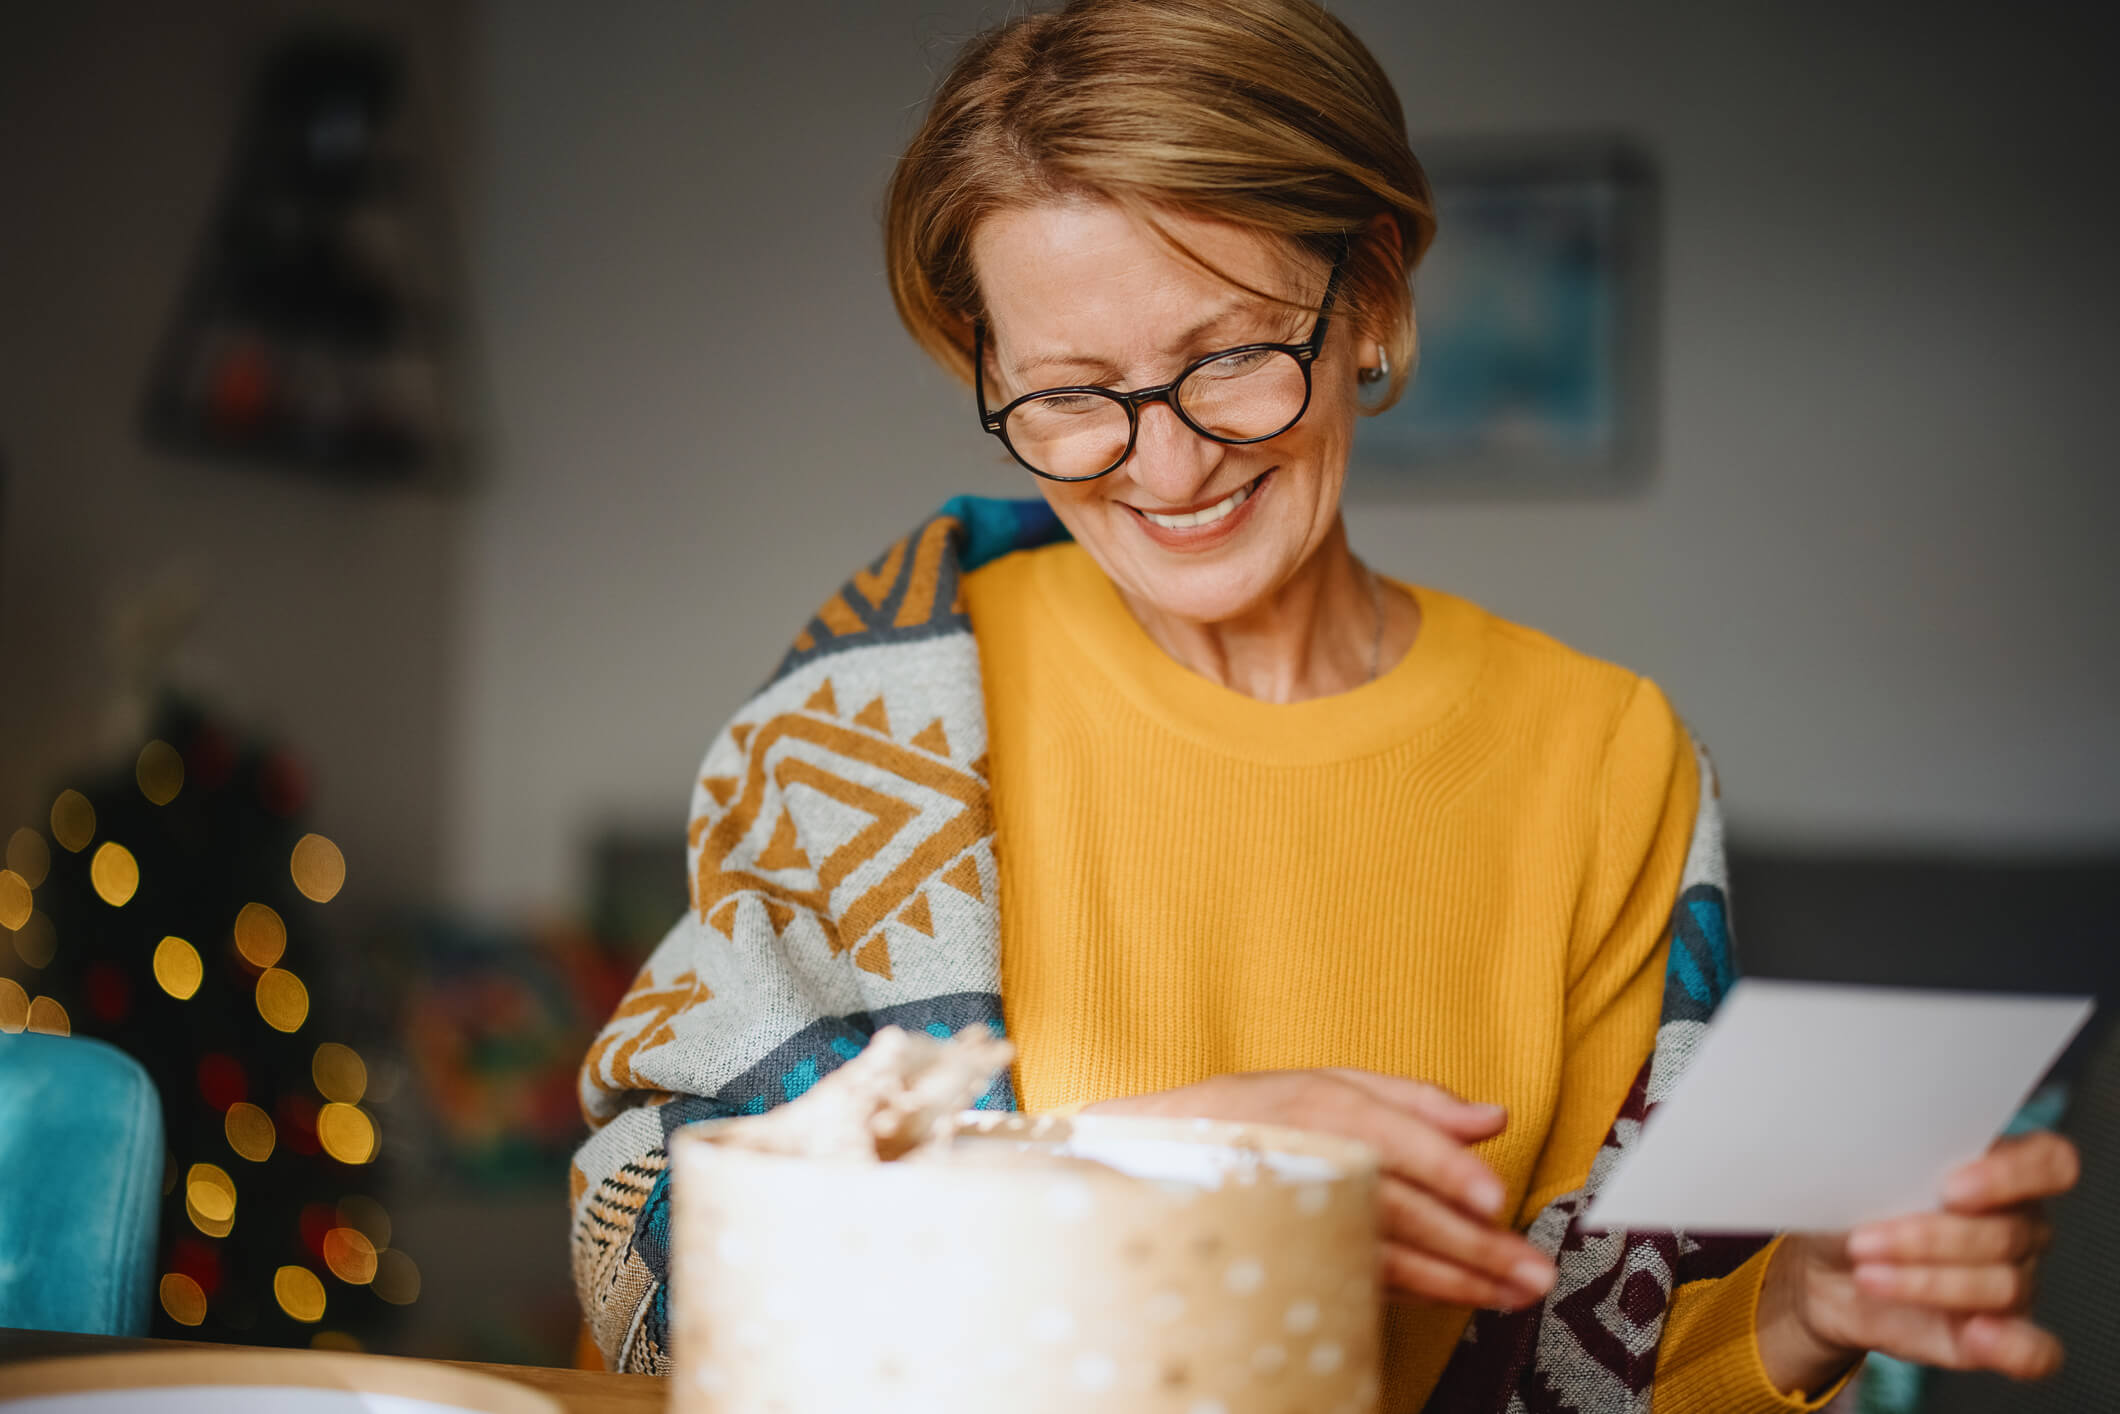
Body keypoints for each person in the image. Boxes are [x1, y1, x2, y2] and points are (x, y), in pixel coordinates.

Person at [568, 2, 2079, 1408]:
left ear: (1372, 298)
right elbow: (640, 1261)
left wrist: (1803, 1307)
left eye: (1229, 359)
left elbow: (1579, 1372)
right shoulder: (869, 718)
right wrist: (1173, 1163)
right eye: (1072, 392)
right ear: (988, 367)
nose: (1163, 470)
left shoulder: (1605, 757)